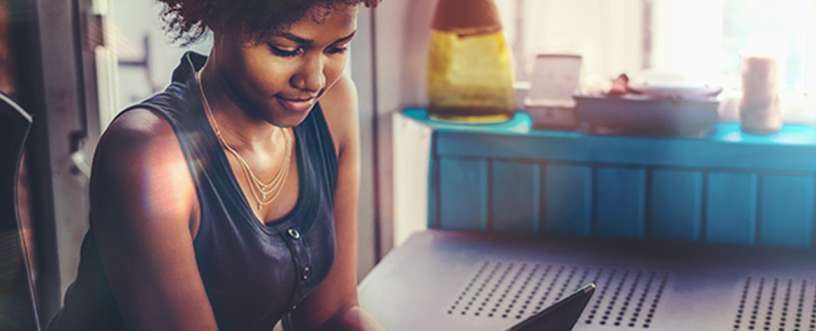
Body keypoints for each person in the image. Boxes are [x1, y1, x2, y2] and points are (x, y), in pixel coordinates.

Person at [47, 0, 383, 330]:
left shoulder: (332, 106)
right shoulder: (150, 156)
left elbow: (334, 315)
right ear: (219, 18)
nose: (314, 80)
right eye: (285, 49)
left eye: (337, 48)